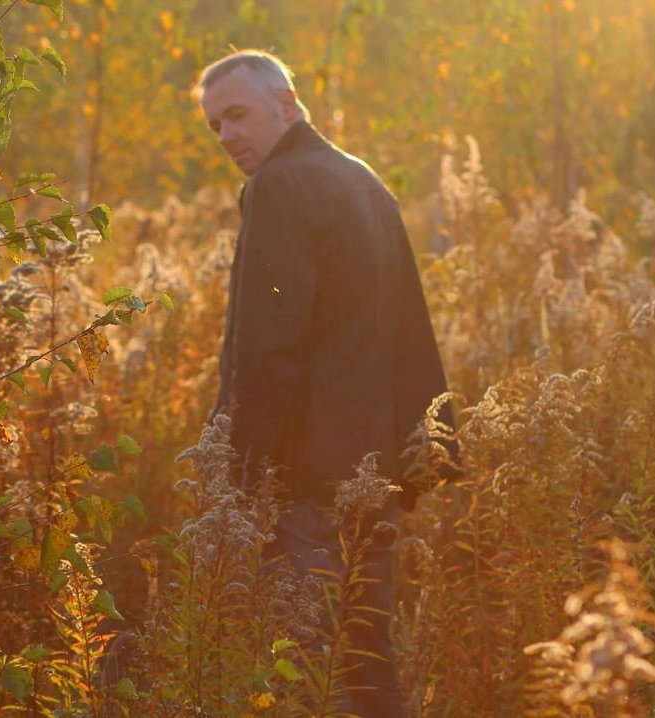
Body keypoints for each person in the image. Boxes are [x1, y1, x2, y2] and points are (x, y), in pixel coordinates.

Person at [195, 49, 454, 716]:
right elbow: (411, 336)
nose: (225, 137)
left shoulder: (280, 185)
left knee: (304, 671)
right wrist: (424, 457)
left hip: (305, 483)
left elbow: (264, 346)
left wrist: (244, 480)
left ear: (287, 105)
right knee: (368, 663)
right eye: (214, 125)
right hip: (374, 478)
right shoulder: (364, 180)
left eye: (237, 115)